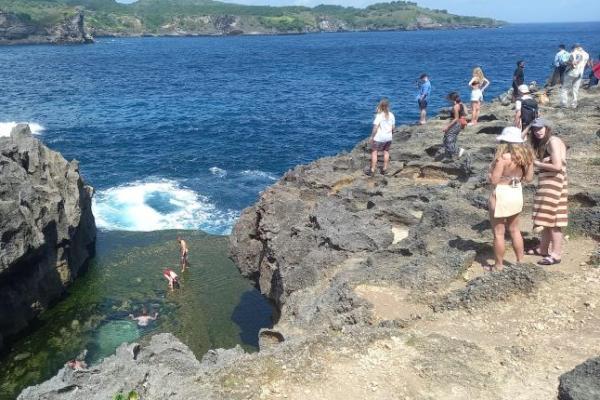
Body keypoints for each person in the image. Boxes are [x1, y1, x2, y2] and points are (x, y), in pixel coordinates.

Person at [487, 126, 534, 271]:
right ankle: (520, 261)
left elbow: (494, 181)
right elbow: (529, 179)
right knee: (515, 230)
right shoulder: (527, 157)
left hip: (501, 193)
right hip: (516, 192)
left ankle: (498, 265)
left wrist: (489, 175)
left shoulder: (503, 159)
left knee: (499, 233)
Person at [527, 118, 568, 266]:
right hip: (550, 183)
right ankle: (543, 249)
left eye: (540, 128)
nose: (537, 131)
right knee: (547, 220)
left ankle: (556, 255)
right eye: (535, 129)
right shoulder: (549, 142)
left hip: (553, 184)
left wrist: (537, 163)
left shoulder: (553, 141)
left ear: (547, 127)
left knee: (554, 221)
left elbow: (557, 166)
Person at [367, 98, 395, 176]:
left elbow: (375, 128)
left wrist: (372, 137)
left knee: (374, 152)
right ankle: (384, 169)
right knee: (386, 152)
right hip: (388, 137)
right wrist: (391, 135)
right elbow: (393, 128)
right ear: (388, 106)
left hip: (379, 137)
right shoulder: (392, 115)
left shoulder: (379, 116)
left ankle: (372, 170)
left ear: (380, 106)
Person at [560, 44, 589, 108]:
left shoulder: (572, 54)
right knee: (575, 89)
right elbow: (587, 65)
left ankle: (564, 103)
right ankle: (574, 104)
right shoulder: (586, 54)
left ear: (574, 48)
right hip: (580, 73)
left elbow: (569, 63)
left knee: (565, 88)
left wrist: (565, 63)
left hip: (571, 73)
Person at [441, 92, 466, 160]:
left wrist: (447, 126)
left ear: (452, 99)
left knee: (448, 140)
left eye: (449, 99)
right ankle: (451, 155)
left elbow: (456, 118)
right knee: (450, 139)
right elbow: (464, 113)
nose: (448, 101)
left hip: (456, 124)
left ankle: (458, 150)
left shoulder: (455, 106)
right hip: (458, 124)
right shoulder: (461, 104)